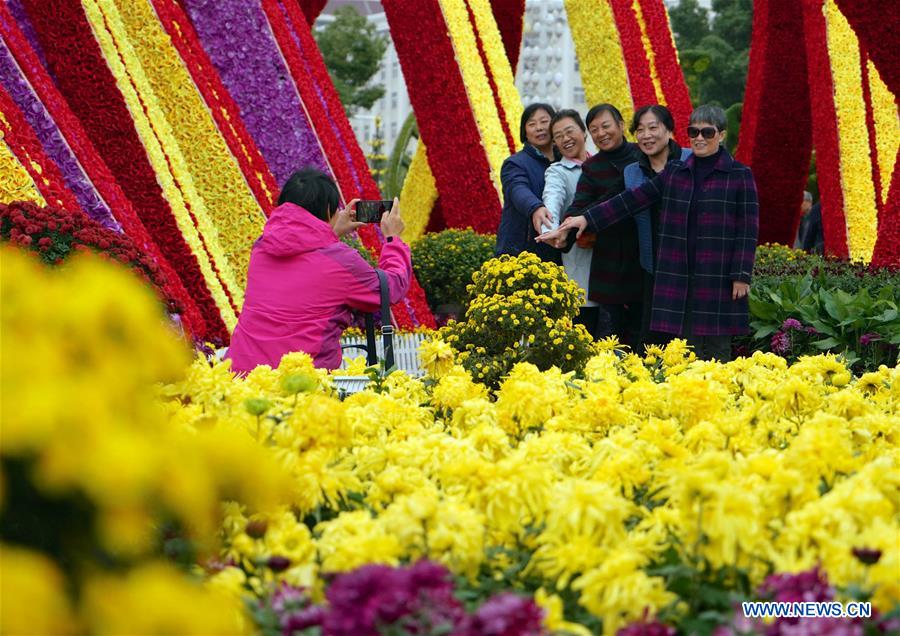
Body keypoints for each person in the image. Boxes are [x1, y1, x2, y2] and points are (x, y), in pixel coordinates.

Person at [539, 105, 759, 362]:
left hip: (718, 275)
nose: (699, 138)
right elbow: (629, 200)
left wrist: (741, 276)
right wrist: (585, 218)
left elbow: (747, 230)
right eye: (693, 132)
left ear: (721, 135)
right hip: (681, 276)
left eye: (707, 132)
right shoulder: (677, 172)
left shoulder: (740, 175)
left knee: (719, 349)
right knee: (688, 351)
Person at [226, 169, 411, 372]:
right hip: (299, 384)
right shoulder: (342, 261)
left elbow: (304, 259)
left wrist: (330, 232)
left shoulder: (261, 248)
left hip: (240, 376)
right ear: (329, 211)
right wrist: (393, 239)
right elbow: (390, 288)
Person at [564, 103, 643, 343]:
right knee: (612, 337)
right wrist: (567, 226)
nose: (601, 133)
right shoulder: (592, 166)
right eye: (594, 129)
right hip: (611, 260)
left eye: (606, 126)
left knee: (646, 333)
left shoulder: (642, 155)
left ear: (621, 125)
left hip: (645, 256)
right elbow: (578, 205)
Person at [623, 104, 691, 348]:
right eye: (639, 130)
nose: (646, 135)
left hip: (689, 267)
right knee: (653, 342)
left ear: (670, 130)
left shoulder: (690, 160)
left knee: (689, 340)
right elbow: (619, 204)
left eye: (653, 127)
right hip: (652, 267)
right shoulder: (632, 172)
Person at [541, 109, 597, 331]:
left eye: (569, 131)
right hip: (581, 268)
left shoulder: (603, 164)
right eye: (558, 136)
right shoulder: (557, 171)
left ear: (583, 132)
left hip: (615, 266)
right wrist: (553, 229)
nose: (565, 139)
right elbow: (552, 199)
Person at [495, 103, 561, 263]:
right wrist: (535, 208)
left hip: (559, 253)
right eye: (532, 124)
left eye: (544, 121)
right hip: (521, 252)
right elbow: (518, 189)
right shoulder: (515, 163)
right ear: (525, 131)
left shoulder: (566, 162)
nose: (539, 128)